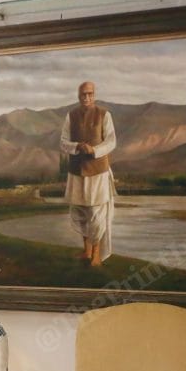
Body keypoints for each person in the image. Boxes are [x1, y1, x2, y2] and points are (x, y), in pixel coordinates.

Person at [60, 81, 117, 267]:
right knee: (80, 211)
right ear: (78, 96)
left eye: (90, 94)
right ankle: (86, 251)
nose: (87, 97)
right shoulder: (71, 116)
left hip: (98, 171)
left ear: (94, 95)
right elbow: (62, 142)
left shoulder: (104, 114)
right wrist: (77, 146)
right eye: (83, 94)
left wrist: (94, 150)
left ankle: (97, 254)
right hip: (76, 171)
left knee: (96, 213)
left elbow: (111, 142)